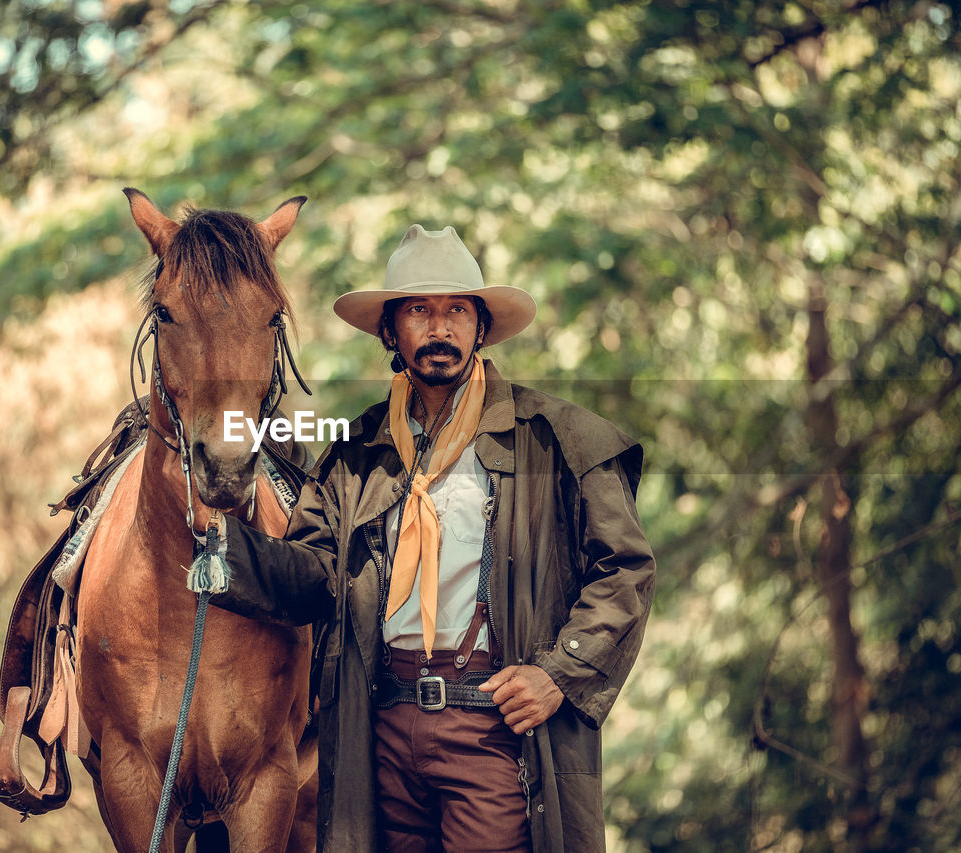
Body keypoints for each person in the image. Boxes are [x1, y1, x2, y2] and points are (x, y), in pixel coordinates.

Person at [210, 223, 655, 852]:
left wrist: (559, 672)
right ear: (390, 331)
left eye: (455, 311)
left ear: (481, 327)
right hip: (381, 726)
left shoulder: (557, 437)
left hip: (493, 725)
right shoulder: (357, 452)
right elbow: (314, 576)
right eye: (418, 310)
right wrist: (219, 543)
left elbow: (626, 568)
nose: (439, 328)